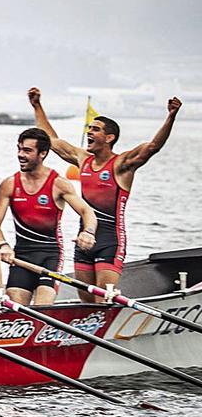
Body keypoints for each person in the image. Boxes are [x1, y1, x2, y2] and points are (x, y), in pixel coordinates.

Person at [29, 88, 182, 301]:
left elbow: (152, 147)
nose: (89, 132)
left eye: (95, 129)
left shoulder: (121, 165)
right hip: (84, 239)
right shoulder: (83, 159)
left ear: (109, 138)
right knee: (86, 301)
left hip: (110, 240)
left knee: (103, 300)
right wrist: (37, 106)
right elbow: (52, 141)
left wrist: (171, 117)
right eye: (89, 128)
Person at [0, 128, 97, 306]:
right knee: (16, 309)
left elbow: (87, 212)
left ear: (43, 154)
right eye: (19, 149)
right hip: (21, 255)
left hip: (50, 256)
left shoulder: (58, 184)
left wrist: (89, 232)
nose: (20, 155)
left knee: (42, 308)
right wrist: (3, 245)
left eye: (27, 151)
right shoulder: (9, 184)